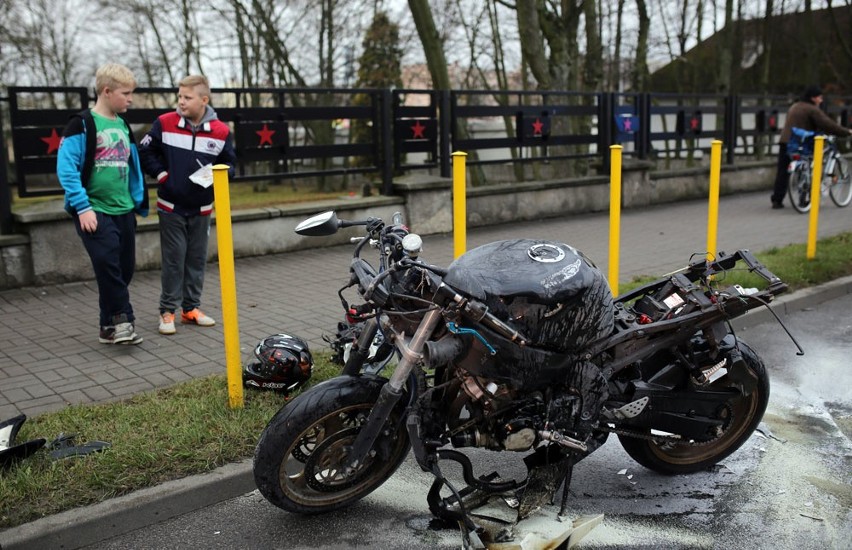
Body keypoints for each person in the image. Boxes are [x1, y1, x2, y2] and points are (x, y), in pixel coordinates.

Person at [57, 63, 148, 345]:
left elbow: (133, 166)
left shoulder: (122, 125)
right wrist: (82, 207)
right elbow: (66, 167)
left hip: (123, 210)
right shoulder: (81, 124)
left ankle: (106, 327)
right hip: (94, 210)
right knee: (107, 265)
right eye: (126, 93)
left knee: (123, 269)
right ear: (107, 92)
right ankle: (123, 321)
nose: (130, 99)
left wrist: (136, 201)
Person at [138, 75, 236, 335]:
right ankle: (167, 311)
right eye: (179, 96)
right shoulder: (164, 123)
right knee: (174, 259)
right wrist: (163, 176)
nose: (181, 101)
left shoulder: (222, 132)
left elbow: (232, 166)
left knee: (196, 260)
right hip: (170, 207)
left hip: (202, 209)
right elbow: (145, 151)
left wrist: (218, 175)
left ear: (204, 100)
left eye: (187, 97)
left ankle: (190, 309)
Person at [771, 85, 852, 209]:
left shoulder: (795, 106)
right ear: (813, 98)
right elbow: (828, 124)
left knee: (783, 171)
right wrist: (846, 132)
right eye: (819, 97)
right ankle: (805, 199)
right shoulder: (812, 109)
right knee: (809, 168)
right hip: (802, 142)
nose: (821, 100)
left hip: (786, 141)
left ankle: (777, 200)